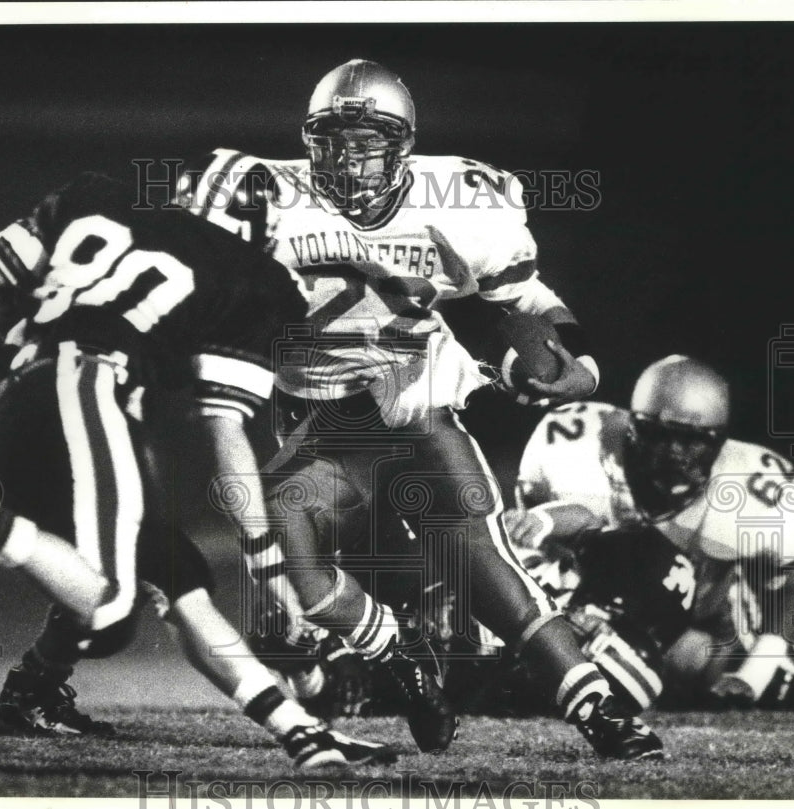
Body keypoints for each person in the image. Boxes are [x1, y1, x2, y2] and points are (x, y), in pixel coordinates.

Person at [174, 59, 663, 759]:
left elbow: (523, 298)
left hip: (412, 396)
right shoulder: (261, 194)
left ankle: (598, 705)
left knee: (479, 556)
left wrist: (578, 363)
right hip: (317, 418)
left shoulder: (458, 197)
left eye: (367, 138)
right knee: (300, 581)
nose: (348, 155)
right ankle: (399, 651)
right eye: (333, 138)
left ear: (403, 143)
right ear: (310, 140)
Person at [0, 172, 396, 768]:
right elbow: (224, 436)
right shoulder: (252, 278)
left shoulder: (94, 202)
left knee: (177, 575)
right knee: (111, 612)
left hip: (20, 404)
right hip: (87, 389)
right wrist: (273, 577)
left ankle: (300, 734)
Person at [504, 355, 794, 711]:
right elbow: (531, 548)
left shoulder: (756, 487)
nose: (673, 453)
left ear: (718, 442)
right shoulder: (576, 441)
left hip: (697, 630)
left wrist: (756, 672)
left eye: (692, 440)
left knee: (732, 673)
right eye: (659, 435)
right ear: (633, 426)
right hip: (587, 609)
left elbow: (784, 589)